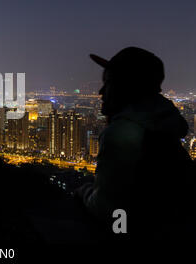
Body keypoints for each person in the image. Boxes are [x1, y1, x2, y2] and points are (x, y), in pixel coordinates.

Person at [76, 46, 195, 241]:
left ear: (127, 88)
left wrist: (86, 193)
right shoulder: (162, 126)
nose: (101, 91)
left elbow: (110, 211)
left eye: (109, 83)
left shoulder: (123, 134)